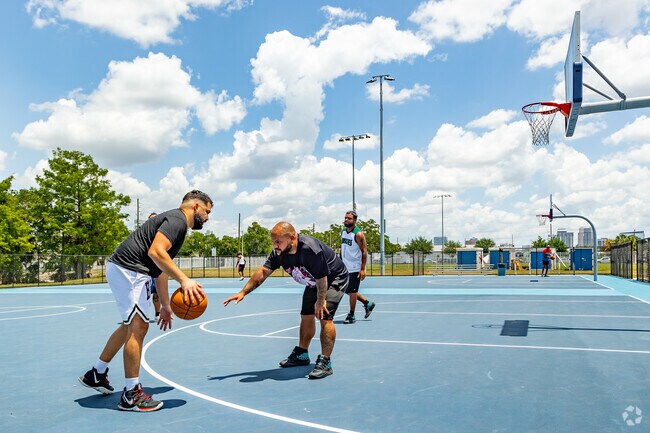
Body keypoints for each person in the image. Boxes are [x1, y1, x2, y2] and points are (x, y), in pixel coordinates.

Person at [79, 190, 213, 412]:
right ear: (196, 206)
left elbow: (160, 269)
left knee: (129, 326)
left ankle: (96, 373)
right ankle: (131, 394)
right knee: (138, 328)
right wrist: (184, 280)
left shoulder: (176, 224)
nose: (208, 217)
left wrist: (166, 305)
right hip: (129, 270)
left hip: (128, 270)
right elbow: (156, 252)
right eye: (207, 211)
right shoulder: (177, 220)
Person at [223, 222, 348, 379]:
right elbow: (263, 272)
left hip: (333, 278)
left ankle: (325, 361)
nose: (275, 245)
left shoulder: (310, 249)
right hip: (313, 281)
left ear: (292, 238)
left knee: (324, 316)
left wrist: (320, 300)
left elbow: (322, 278)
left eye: (278, 241)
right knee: (306, 315)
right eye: (273, 241)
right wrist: (243, 292)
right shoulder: (279, 253)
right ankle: (302, 354)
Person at [340, 210, 375, 324]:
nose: (346, 220)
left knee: (353, 291)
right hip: (345, 266)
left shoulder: (358, 234)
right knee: (344, 289)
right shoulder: (344, 231)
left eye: (349, 218)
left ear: (354, 220)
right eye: (345, 218)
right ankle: (367, 303)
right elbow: (343, 248)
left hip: (355, 267)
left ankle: (351, 315)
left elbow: (364, 251)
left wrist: (362, 269)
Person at [148, 212, 161, 319]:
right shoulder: (144, 235)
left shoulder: (161, 235)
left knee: (156, 294)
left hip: (156, 269)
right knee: (142, 295)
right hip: (144, 270)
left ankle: (158, 313)